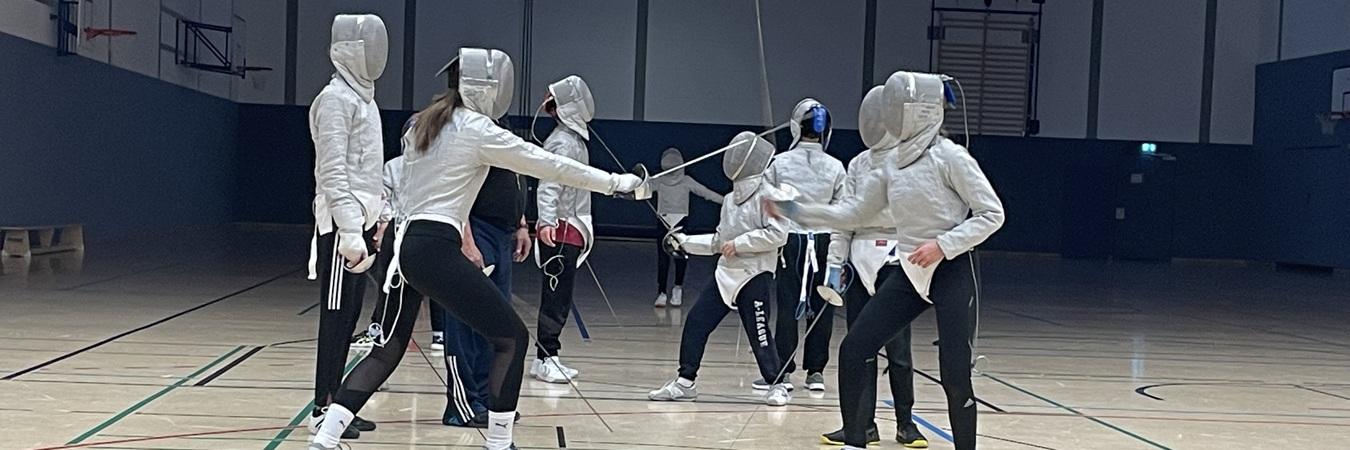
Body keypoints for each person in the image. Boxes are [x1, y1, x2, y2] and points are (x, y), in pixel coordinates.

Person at [307, 47, 643, 450]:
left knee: (387, 350)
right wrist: (616, 184)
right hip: (434, 247)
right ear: (488, 88)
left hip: (404, 247)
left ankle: (324, 439)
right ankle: (500, 444)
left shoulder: (424, 124)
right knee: (511, 339)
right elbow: (546, 164)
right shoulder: (476, 129)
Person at [772, 71, 1004, 450]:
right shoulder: (893, 164)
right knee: (855, 348)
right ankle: (855, 441)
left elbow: (992, 214)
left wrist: (943, 245)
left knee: (955, 373)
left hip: (950, 269)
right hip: (910, 270)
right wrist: (795, 210)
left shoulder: (951, 157)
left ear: (921, 111)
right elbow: (852, 213)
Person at [647, 132, 795, 407]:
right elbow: (719, 242)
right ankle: (685, 382)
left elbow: (779, 235)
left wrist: (739, 244)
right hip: (726, 274)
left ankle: (777, 384)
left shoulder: (776, 195)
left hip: (755, 273)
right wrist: (685, 242)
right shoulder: (729, 199)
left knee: (759, 334)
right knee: (695, 323)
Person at [816, 86, 927, 449]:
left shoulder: (912, 159)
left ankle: (906, 424)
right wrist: (835, 264)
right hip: (860, 259)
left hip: (896, 259)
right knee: (859, 345)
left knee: (898, 348)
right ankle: (860, 425)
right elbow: (844, 218)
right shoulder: (859, 163)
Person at [305, 13, 387, 440]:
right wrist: (351, 230)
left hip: (359, 225)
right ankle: (322, 409)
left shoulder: (364, 100)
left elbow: (367, 170)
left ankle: (339, 405)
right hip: (341, 230)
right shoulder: (335, 99)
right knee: (335, 320)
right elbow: (332, 172)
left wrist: (380, 214)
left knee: (350, 317)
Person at [760, 98, 846, 393]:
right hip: (824, 243)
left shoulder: (779, 163)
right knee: (822, 304)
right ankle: (816, 372)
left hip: (791, 244)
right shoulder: (836, 167)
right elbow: (842, 211)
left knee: (787, 306)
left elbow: (766, 202)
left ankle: (783, 370)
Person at [443, 164, 531, 427]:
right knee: (464, 321)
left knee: (494, 323)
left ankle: (485, 398)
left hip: (502, 232)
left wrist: (522, 224)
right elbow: (457, 189)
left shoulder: (500, 130)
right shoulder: (468, 129)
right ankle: (461, 406)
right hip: (477, 228)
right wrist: (467, 240)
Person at [530, 75, 595, 384]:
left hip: (570, 226)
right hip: (560, 229)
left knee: (560, 296)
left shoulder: (573, 141)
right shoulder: (562, 142)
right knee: (555, 297)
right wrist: (546, 221)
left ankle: (547, 356)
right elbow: (549, 185)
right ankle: (546, 357)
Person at [652, 147, 723, 307]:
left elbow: (706, 193)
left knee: (680, 255)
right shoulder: (658, 181)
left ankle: (677, 289)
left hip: (680, 222)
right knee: (663, 259)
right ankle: (662, 292)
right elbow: (642, 188)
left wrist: (728, 201)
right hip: (663, 222)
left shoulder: (686, 181)